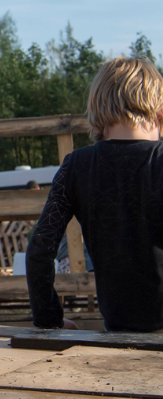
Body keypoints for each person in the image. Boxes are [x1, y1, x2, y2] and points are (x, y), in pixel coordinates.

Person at [27, 56, 163, 333]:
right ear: (159, 109)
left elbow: (40, 249)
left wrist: (48, 317)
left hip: (118, 328)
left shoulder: (77, 165)